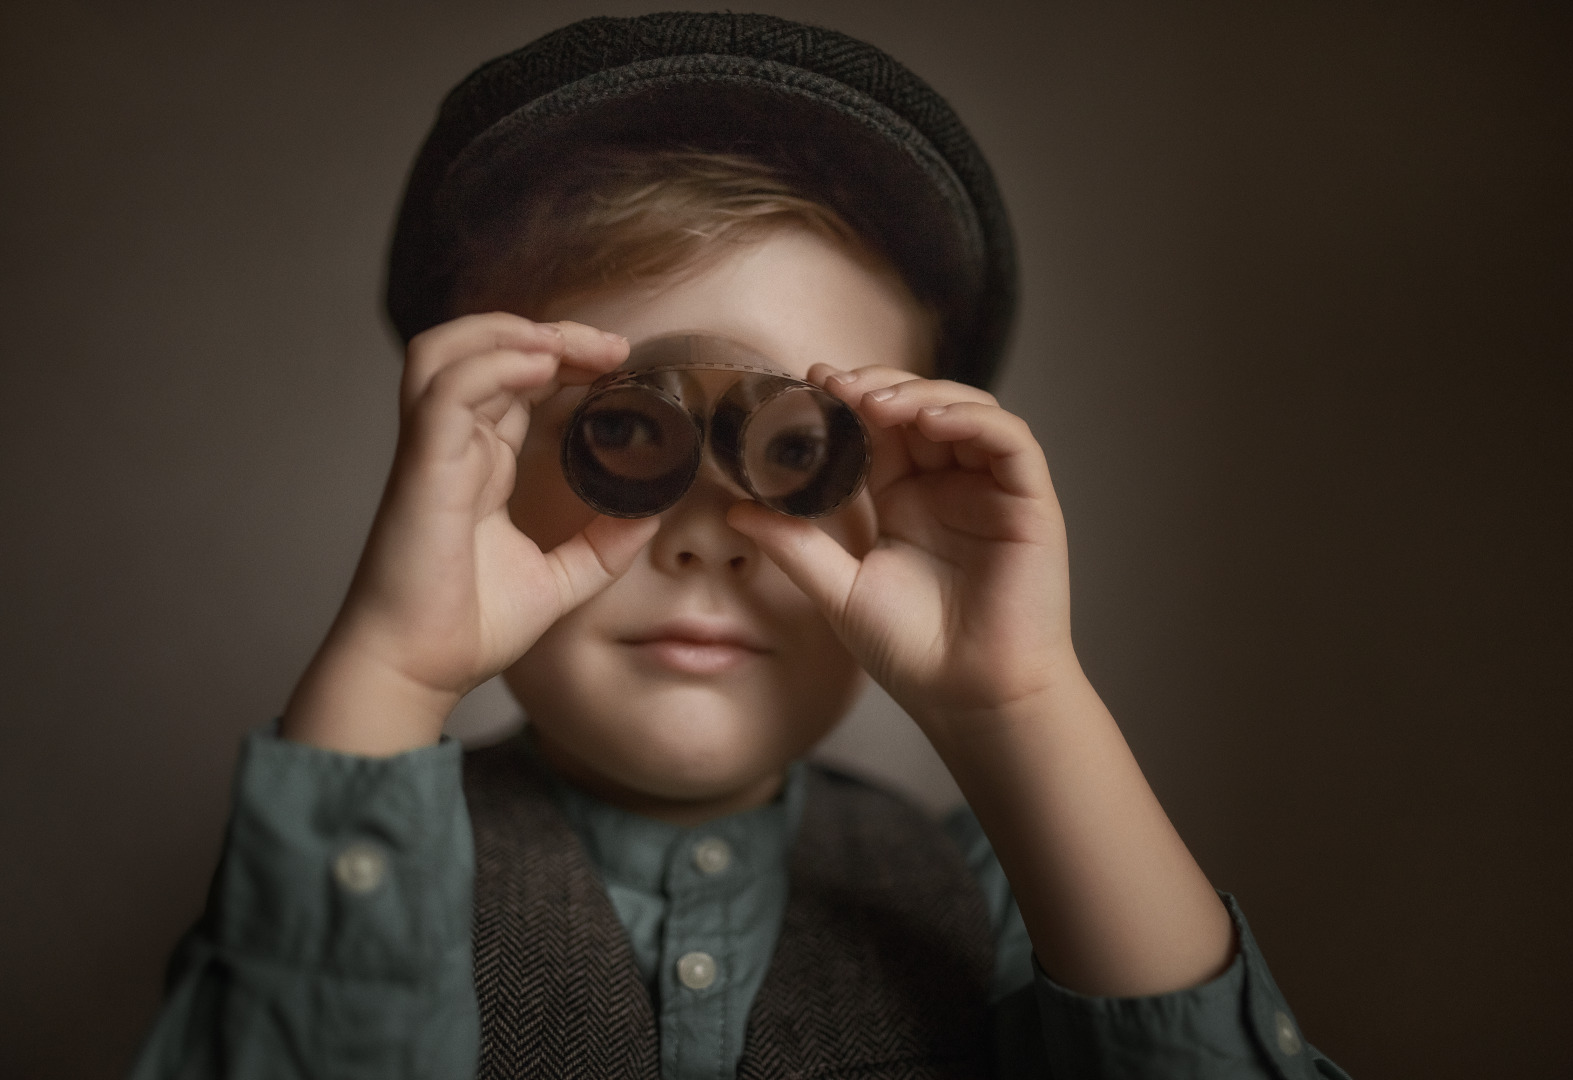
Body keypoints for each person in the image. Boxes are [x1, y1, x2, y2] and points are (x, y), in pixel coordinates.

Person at [129, 13, 1348, 1080]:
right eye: (621, 433)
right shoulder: (366, 863)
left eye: (800, 453)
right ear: (480, 478)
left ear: (899, 483)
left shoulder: (1004, 888)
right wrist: (389, 671)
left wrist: (1019, 704)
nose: (710, 540)